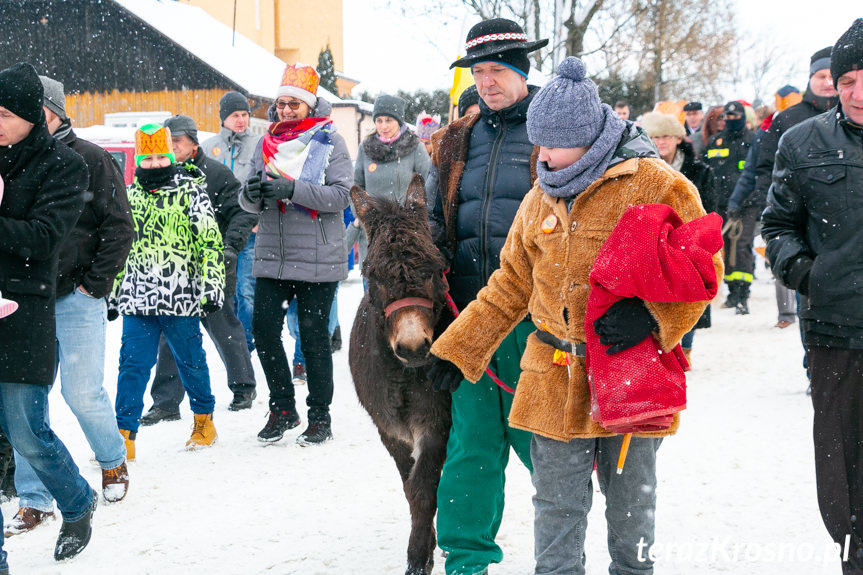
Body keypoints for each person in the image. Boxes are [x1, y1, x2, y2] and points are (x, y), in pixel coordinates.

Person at [428, 56, 722, 575]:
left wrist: (653, 319)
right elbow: (510, 286)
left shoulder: (653, 183)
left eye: (550, 143)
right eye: (536, 142)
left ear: (587, 138)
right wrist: (460, 349)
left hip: (628, 372)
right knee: (556, 507)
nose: (539, 154)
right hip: (553, 375)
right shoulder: (541, 194)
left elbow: (704, 267)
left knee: (630, 509)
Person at [424, 18, 546, 575]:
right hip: (468, 315)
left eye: (498, 69)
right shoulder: (456, 140)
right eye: (479, 71)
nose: (487, 81)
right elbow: (432, 224)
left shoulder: (555, 132)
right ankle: (466, 558)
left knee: (543, 446)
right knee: (471, 447)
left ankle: (561, 553)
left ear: (523, 70)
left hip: (534, 317)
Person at [4, 74, 134, 540]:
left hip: (75, 295)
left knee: (80, 392)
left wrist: (92, 286)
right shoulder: (10, 161)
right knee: (23, 405)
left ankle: (112, 461)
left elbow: (119, 228)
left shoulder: (88, 159)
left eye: (39, 110)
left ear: (57, 113)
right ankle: (35, 499)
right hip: (22, 298)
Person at [761, 19, 863, 573]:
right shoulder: (803, 141)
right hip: (835, 329)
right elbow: (778, 225)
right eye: (847, 79)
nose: (858, 93)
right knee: (843, 463)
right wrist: (808, 272)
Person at [0, 61, 98, 567]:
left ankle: (77, 502)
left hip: (23, 315)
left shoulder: (65, 166)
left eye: (3, 114)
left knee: (26, 433)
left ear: (30, 115)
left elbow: (42, 241)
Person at [238, 63, 352, 446]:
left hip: (318, 256)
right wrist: (252, 194)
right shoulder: (265, 143)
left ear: (309, 106)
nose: (286, 110)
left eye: (294, 105)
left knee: (314, 338)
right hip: (273, 253)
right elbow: (248, 201)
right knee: (264, 329)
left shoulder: (329, 142)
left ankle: (320, 415)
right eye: (281, 103)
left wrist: (291, 190)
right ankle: (283, 407)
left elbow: (340, 196)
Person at [111, 123, 225, 457]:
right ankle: (124, 435)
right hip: (137, 296)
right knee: (132, 365)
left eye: (162, 156)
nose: (156, 163)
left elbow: (209, 243)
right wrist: (113, 291)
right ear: (139, 161)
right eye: (149, 158)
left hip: (181, 296)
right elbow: (119, 247)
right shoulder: (128, 195)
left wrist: (212, 285)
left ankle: (204, 419)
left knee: (190, 362)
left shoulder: (191, 191)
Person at [138, 114, 257, 427]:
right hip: (173, 275)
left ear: (192, 142)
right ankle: (166, 402)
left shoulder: (216, 174)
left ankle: (243, 388)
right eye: (168, 141)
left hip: (211, 269)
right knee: (170, 338)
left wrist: (229, 248)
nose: (172, 147)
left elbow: (242, 214)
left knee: (225, 329)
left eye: (177, 141)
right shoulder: (160, 175)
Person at [641, 111, 716, 363]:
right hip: (652, 241)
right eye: (655, 137)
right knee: (656, 297)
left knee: (689, 292)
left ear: (677, 138)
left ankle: (685, 348)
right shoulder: (641, 170)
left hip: (690, 240)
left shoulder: (700, 171)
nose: (661, 142)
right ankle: (662, 346)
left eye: (666, 136)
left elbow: (711, 207)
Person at [727, 84, 803, 329]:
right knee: (782, 248)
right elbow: (752, 169)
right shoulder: (767, 129)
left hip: (808, 195)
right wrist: (736, 201)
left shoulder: (814, 123)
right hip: (774, 198)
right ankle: (787, 312)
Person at [347, 94, 431, 272]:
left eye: (389, 120)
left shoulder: (414, 146)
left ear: (399, 121)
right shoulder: (365, 148)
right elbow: (356, 188)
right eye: (379, 120)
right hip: (374, 235)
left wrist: (417, 218)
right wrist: (364, 217)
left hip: (406, 235)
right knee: (375, 287)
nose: (383, 126)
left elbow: (429, 183)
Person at [202, 91, 259, 353]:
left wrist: (258, 217)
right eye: (235, 115)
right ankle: (232, 341)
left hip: (248, 230)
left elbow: (264, 184)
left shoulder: (259, 145)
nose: (241, 120)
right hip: (216, 232)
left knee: (246, 293)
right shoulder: (208, 147)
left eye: (245, 114)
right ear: (224, 118)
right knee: (226, 292)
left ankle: (244, 345)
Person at [704, 100, 754, 314]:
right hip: (720, 205)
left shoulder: (752, 141)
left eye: (736, 117)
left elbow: (755, 175)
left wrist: (744, 200)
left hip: (746, 205)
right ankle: (732, 291)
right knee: (724, 248)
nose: (731, 121)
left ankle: (743, 293)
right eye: (728, 117)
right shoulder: (715, 142)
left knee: (741, 246)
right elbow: (707, 173)